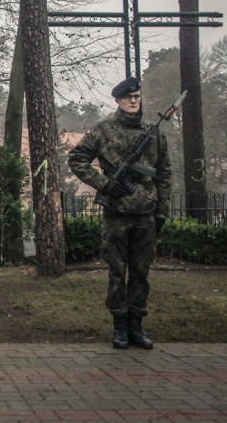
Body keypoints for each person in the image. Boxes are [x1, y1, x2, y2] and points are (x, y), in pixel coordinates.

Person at [67, 76, 172, 350]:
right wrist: (104, 184)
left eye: (137, 96)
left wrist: (161, 211)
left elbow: (164, 174)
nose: (133, 101)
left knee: (141, 272)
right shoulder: (103, 129)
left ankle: (137, 325)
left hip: (146, 211)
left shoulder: (154, 131)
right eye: (128, 97)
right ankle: (120, 327)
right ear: (118, 100)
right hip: (118, 212)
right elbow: (77, 159)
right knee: (117, 272)